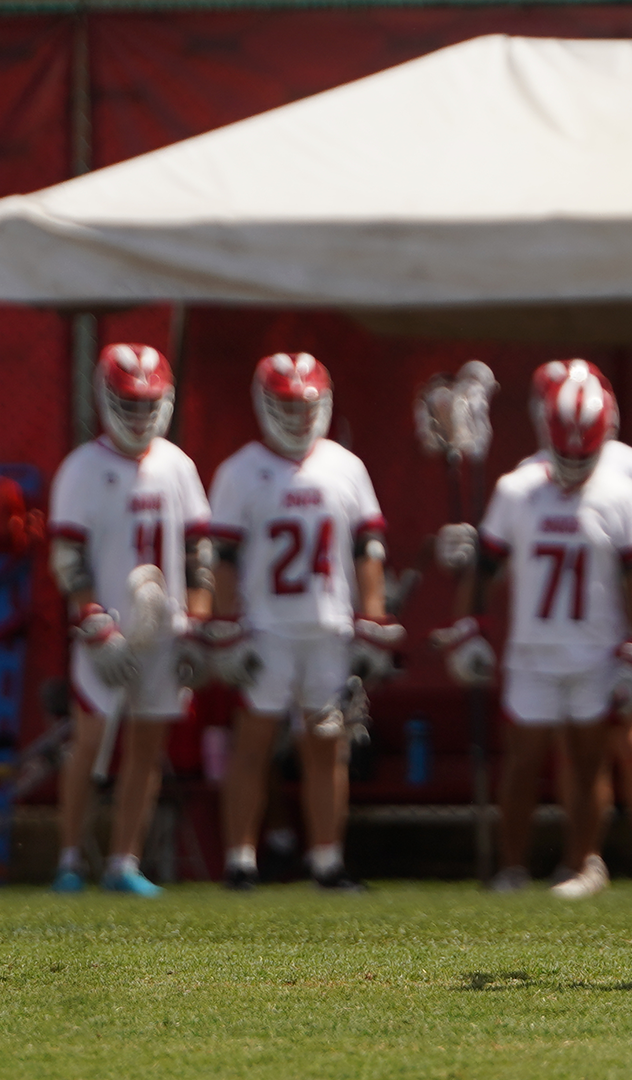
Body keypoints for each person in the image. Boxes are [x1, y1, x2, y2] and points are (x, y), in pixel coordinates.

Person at [436, 360, 632, 896]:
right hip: (532, 648)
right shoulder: (518, 487)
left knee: (588, 759)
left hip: (596, 649)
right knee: (523, 762)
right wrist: (469, 628)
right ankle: (511, 866)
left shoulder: (621, 489)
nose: (575, 457)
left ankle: (583, 863)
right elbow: (486, 568)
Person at [210, 352, 400, 891]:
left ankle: (325, 860)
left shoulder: (345, 466)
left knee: (328, 745)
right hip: (265, 627)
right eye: (286, 406)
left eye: (306, 405)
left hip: (329, 626)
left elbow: (368, 548)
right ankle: (240, 861)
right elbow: (221, 557)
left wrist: (372, 619)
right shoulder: (240, 470)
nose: (297, 417)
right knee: (253, 744)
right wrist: (227, 626)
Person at [47, 344, 211, 896]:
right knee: (90, 738)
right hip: (105, 630)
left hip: (165, 630)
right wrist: (93, 621)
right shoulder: (83, 467)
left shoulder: (177, 465)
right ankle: (69, 857)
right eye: (130, 403)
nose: (140, 416)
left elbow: (197, 554)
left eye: (148, 404)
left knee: (148, 745)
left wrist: (198, 623)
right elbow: (68, 556)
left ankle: (124, 861)